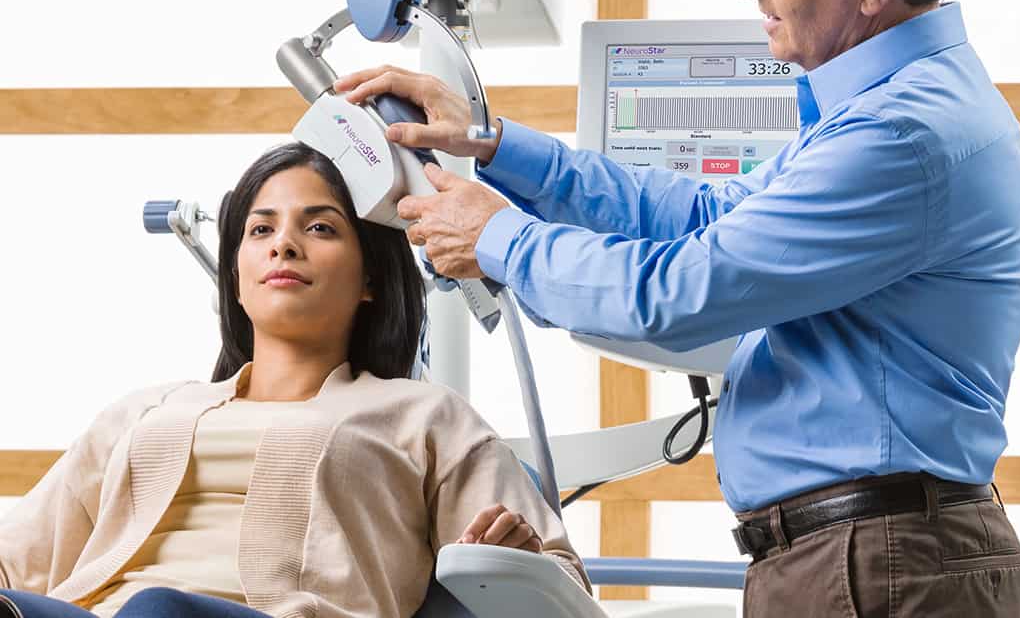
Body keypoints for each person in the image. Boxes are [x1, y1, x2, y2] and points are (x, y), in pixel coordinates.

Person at [333, 0, 1020, 618]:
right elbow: (702, 212)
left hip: (876, 561)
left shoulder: (898, 136)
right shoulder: (883, 109)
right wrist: (491, 142)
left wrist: (497, 239)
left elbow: (679, 290)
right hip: (863, 552)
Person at [0, 142, 588, 618]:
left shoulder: (425, 416)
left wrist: (518, 563)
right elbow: (16, 560)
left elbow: (563, 583)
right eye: (260, 231)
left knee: (158, 609)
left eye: (320, 228)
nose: (283, 243)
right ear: (236, 277)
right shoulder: (143, 411)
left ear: (369, 279)